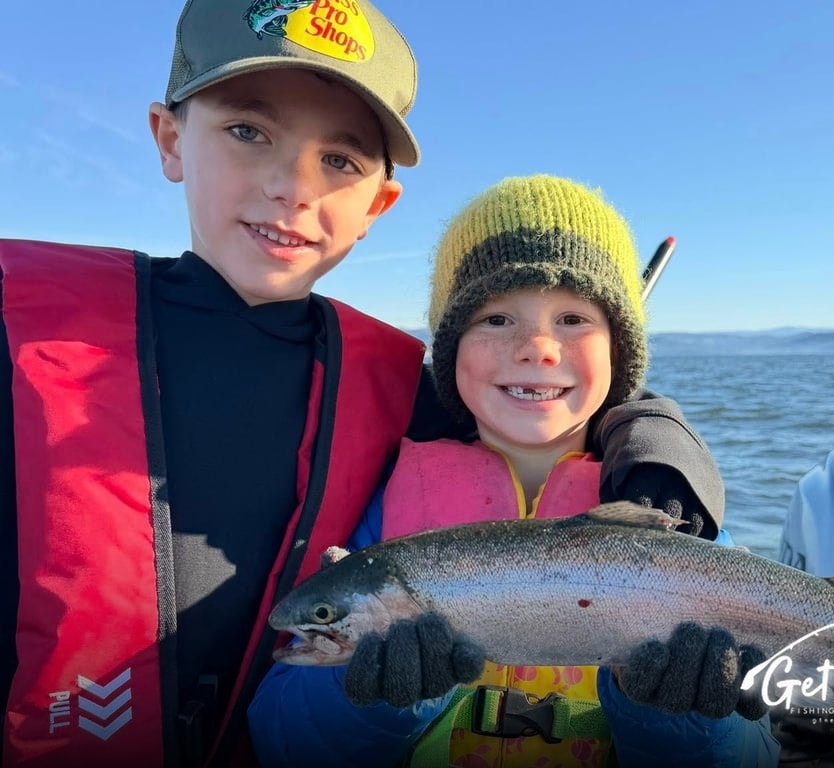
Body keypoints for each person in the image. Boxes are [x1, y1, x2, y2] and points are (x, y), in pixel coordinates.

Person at [0, 4, 727, 767]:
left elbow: (550, 403)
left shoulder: (397, 386)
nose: (292, 187)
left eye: (340, 161)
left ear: (379, 203)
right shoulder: (18, 330)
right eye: (248, 131)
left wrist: (655, 440)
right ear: (170, 136)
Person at [247, 175, 781, 768]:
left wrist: (682, 718)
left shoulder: (677, 516)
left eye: (574, 318)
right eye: (496, 318)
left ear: (619, 351)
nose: (537, 347)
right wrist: (370, 699)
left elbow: (752, 757)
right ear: (450, 352)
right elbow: (280, 743)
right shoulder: (382, 520)